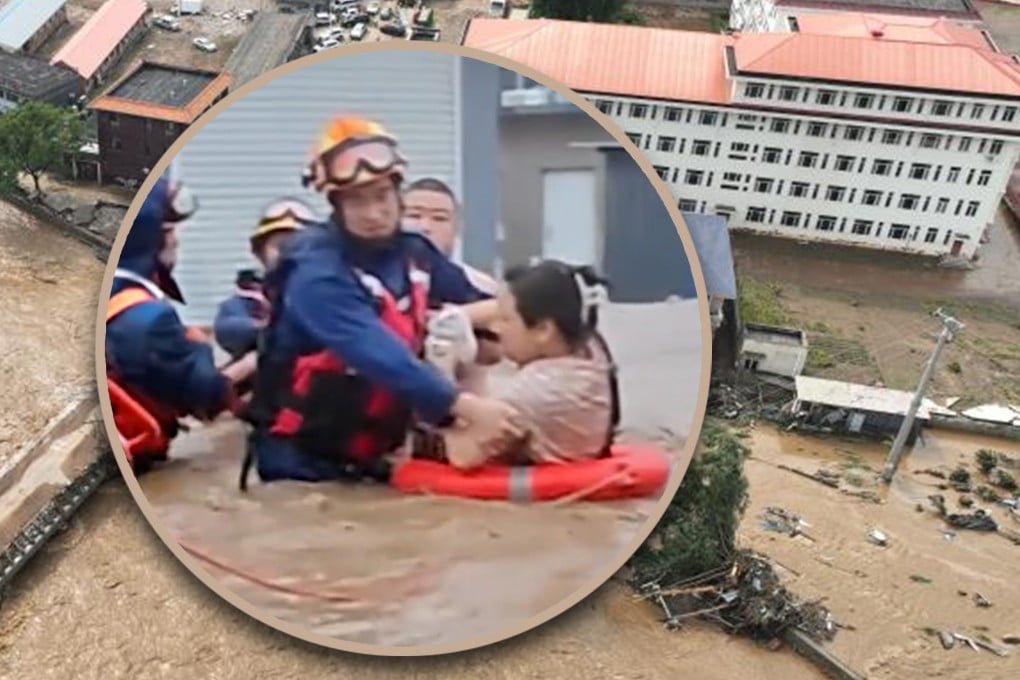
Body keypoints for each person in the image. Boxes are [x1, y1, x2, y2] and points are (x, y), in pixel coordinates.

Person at [242, 116, 523, 488]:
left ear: (397, 192)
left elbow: (488, 304)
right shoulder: (315, 272)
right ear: (335, 205)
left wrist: (488, 329)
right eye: (357, 201)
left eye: (381, 196)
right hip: (299, 463)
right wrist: (467, 411)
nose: (374, 213)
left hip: (376, 456)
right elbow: (377, 354)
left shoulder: (416, 253)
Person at [106, 175, 257, 473]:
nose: (177, 239)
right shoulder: (150, 321)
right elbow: (204, 392)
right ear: (160, 236)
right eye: (172, 230)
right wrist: (252, 363)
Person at [412, 259, 621, 471]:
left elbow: (461, 456)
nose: (495, 327)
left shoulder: (535, 393)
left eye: (505, 320)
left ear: (543, 330)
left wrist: (440, 372)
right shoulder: (587, 342)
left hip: (540, 464)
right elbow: (509, 305)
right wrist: (457, 317)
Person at [402, 177, 503, 388]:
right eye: (414, 215)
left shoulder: (478, 283)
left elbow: (499, 347)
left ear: (456, 228)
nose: (425, 227)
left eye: (439, 218)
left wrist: (459, 317)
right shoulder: (374, 277)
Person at [213, 198, 315, 360]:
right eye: (280, 246)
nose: (287, 254)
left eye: (298, 246)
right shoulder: (247, 298)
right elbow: (226, 329)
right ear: (260, 253)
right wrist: (266, 328)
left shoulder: (327, 293)